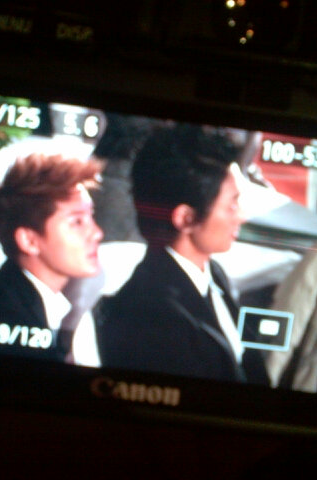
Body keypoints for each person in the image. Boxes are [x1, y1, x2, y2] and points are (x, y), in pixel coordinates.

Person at [95, 124, 269, 384]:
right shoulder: (149, 317)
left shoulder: (211, 273)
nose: (242, 216)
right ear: (185, 218)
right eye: (232, 204)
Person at [0, 153, 104, 362]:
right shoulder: (2, 317)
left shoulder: (19, 299)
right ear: (29, 241)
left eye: (90, 216)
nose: (97, 233)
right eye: (77, 222)